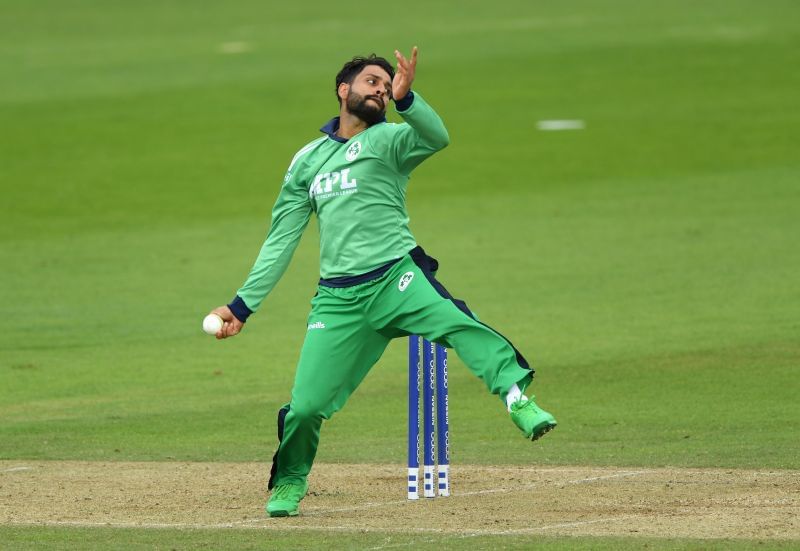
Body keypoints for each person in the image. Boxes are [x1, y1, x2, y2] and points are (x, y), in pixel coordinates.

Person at [208, 47, 557, 517]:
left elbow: (437, 137)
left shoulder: (391, 140)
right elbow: (280, 240)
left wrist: (409, 99)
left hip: (397, 277)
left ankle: (518, 399)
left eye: (385, 85)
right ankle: (290, 480)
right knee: (307, 408)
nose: (379, 89)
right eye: (371, 81)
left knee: (459, 322)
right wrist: (241, 306)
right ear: (343, 89)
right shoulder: (307, 161)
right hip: (338, 301)